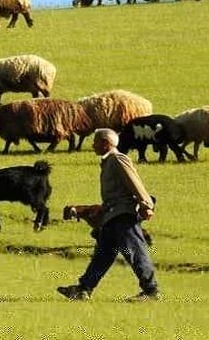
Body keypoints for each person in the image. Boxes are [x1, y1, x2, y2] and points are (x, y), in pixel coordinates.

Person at [58, 128, 159, 302]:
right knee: (103, 255)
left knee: (135, 252)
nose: (92, 145)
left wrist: (146, 204)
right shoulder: (108, 162)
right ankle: (83, 289)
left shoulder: (118, 159)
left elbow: (134, 181)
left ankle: (151, 291)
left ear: (106, 143)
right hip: (112, 216)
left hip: (123, 216)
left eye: (95, 141)